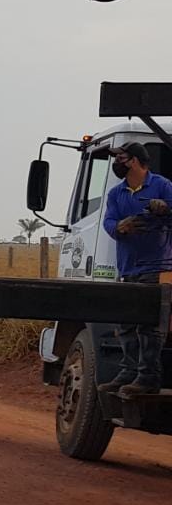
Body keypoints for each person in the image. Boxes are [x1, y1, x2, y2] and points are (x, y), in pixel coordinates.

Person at [99, 141, 172, 398]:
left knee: (149, 325)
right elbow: (108, 222)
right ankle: (129, 372)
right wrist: (119, 227)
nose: (117, 163)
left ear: (135, 160)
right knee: (127, 323)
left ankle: (148, 377)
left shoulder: (163, 186)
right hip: (128, 266)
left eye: (121, 158)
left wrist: (165, 209)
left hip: (157, 266)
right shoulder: (116, 194)